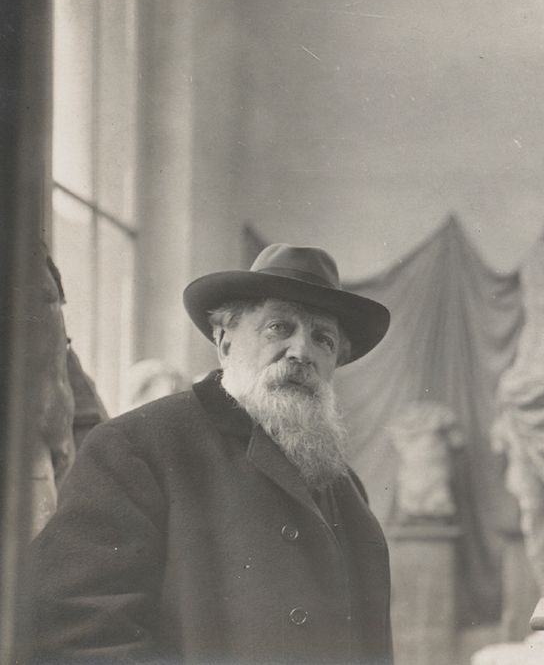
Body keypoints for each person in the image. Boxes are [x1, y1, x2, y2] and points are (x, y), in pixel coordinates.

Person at [31, 243, 394, 663]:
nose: (302, 352)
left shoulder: (347, 489)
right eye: (279, 328)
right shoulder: (138, 446)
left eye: (323, 339)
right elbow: (74, 633)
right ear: (224, 342)